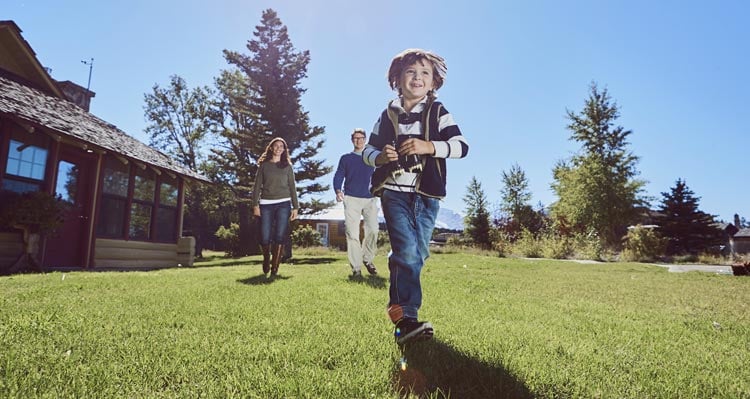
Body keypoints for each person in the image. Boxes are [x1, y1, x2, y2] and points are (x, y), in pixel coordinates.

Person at [362, 49, 469, 345]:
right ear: (397, 79)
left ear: (434, 82)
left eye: (424, 73)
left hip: (427, 194)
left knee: (416, 253)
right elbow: (368, 153)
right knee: (408, 250)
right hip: (394, 191)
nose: (417, 78)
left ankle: (400, 286)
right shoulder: (387, 116)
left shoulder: (439, 112)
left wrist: (429, 147)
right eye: (411, 72)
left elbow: (461, 146)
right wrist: (381, 157)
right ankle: (405, 317)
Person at [333, 128, 380, 277]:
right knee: (352, 233)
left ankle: (367, 259)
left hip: (370, 199)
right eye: (355, 138)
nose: (358, 141)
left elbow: (381, 174)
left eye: (361, 138)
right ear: (352, 140)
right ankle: (356, 268)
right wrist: (338, 190)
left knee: (373, 230)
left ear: (365, 139)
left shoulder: (372, 158)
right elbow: (339, 175)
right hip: (351, 198)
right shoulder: (346, 158)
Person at [252, 137, 299, 277]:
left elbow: (292, 187)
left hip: (284, 204)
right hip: (266, 204)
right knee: (265, 236)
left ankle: (275, 267)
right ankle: (267, 258)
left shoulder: (287, 166)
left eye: (281, 146)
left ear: (284, 150)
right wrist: (255, 205)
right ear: (271, 148)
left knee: (280, 235)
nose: (279, 148)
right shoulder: (264, 166)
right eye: (276, 146)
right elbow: (257, 186)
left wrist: (295, 207)